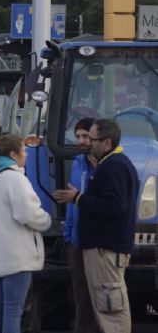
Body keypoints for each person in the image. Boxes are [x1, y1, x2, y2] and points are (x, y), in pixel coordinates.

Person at [54, 119, 138, 333]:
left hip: (106, 251)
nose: (87, 143)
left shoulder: (114, 166)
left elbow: (114, 206)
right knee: (103, 305)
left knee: (111, 308)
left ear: (107, 142)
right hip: (101, 248)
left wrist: (78, 198)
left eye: (92, 139)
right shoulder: (110, 165)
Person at [0, 134, 52, 333]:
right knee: (13, 310)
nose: (26, 154)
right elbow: (27, 213)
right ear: (13, 154)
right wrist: (47, 221)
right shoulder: (15, 178)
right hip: (15, 256)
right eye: (24, 150)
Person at [59, 118, 100, 333]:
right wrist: (67, 236)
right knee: (81, 298)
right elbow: (71, 207)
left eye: (85, 136)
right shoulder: (77, 163)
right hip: (76, 241)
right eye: (78, 136)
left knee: (99, 298)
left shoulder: (106, 167)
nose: (81, 141)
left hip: (97, 243)